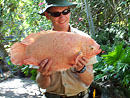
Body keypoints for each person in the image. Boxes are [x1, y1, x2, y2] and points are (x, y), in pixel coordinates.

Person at [36, 0, 98, 98]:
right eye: (56, 14)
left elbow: (89, 80)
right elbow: (42, 85)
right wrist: (44, 75)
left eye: (65, 12)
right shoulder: (40, 44)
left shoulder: (85, 40)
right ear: (47, 15)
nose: (62, 17)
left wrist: (81, 69)